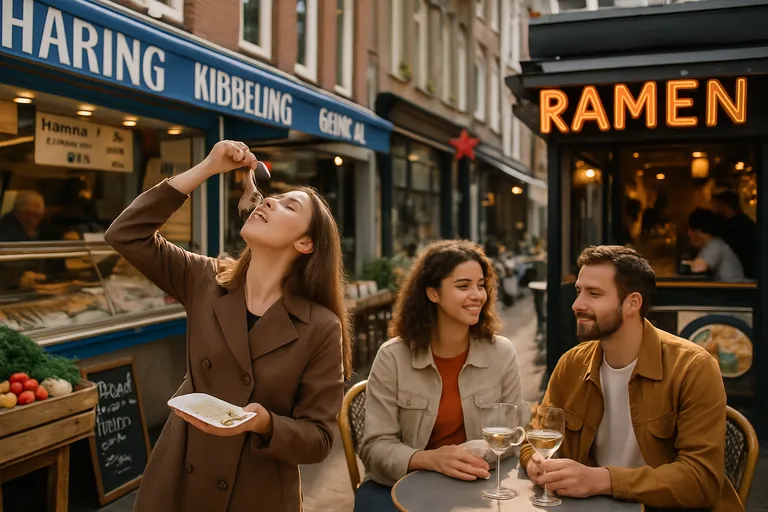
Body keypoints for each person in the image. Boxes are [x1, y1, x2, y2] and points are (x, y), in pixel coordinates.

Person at [103, 140, 352, 512]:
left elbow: (318, 439)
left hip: (256, 491)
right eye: (274, 196)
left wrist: (266, 423)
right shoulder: (207, 278)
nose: (269, 201)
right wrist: (206, 167)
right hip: (178, 479)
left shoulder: (320, 326)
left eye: (290, 205)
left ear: (305, 243)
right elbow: (125, 234)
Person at [521, 245, 743, 511]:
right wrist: (533, 459)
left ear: (632, 303)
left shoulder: (692, 367)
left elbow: (701, 480)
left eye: (594, 293)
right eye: (579, 291)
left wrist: (604, 479)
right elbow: (535, 435)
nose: (577, 304)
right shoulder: (572, 363)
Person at [356, 240, 523, 512]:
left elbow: (516, 435)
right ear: (433, 294)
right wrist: (430, 459)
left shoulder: (502, 353)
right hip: (398, 484)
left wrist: (479, 457)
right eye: (463, 286)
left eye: (481, 285)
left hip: (479, 483)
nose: (477, 295)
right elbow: (375, 449)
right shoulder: (393, 356)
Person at [687, 208, 745, 282]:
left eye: (691, 229)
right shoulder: (709, 246)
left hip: (734, 291)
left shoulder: (715, 245)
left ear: (699, 231)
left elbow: (698, 269)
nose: (688, 234)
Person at [712, 190, 756, 279]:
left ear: (724, 205)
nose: (714, 209)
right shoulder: (744, 221)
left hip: (744, 274)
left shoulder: (735, 226)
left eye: (716, 205)